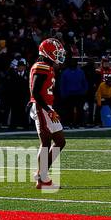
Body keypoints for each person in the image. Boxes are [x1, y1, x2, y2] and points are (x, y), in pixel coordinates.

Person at [29, 38, 67, 189]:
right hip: (41, 107)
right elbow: (35, 92)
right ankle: (41, 177)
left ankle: (41, 174)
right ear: (47, 53)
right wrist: (48, 109)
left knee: (56, 142)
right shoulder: (41, 66)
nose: (59, 55)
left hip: (45, 106)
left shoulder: (47, 66)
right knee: (51, 142)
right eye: (56, 53)